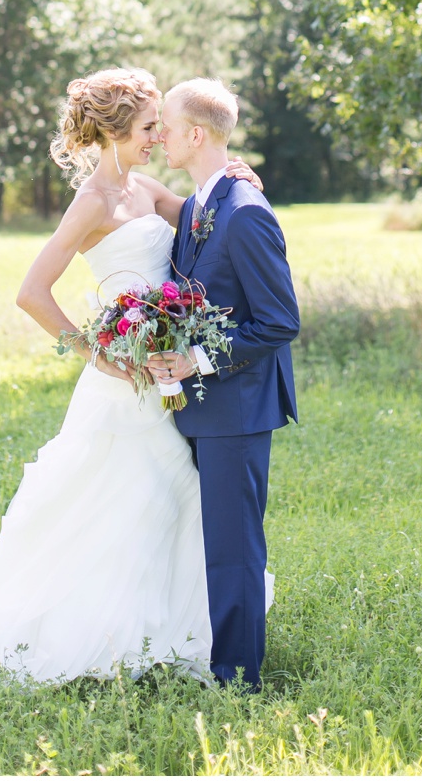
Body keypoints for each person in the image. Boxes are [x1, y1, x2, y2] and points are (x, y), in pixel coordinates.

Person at [0, 67, 279, 687]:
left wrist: (234, 174)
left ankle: (169, 633)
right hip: (124, 382)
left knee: (171, 502)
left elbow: (212, 223)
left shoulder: (150, 189)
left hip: (170, 376)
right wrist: (98, 356)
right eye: (149, 127)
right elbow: (32, 292)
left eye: (161, 127)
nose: (157, 137)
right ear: (116, 131)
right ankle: (97, 635)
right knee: (117, 502)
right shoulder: (91, 203)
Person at [146, 77, 300, 690]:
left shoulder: (244, 213)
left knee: (235, 548)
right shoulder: (204, 203)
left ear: (195, 134)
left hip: (235, 411)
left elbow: (279, 322)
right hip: (199, 411)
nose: (157, 135)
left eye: (164, 125)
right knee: (203, 539)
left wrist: (196, 362)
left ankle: (239, 679)